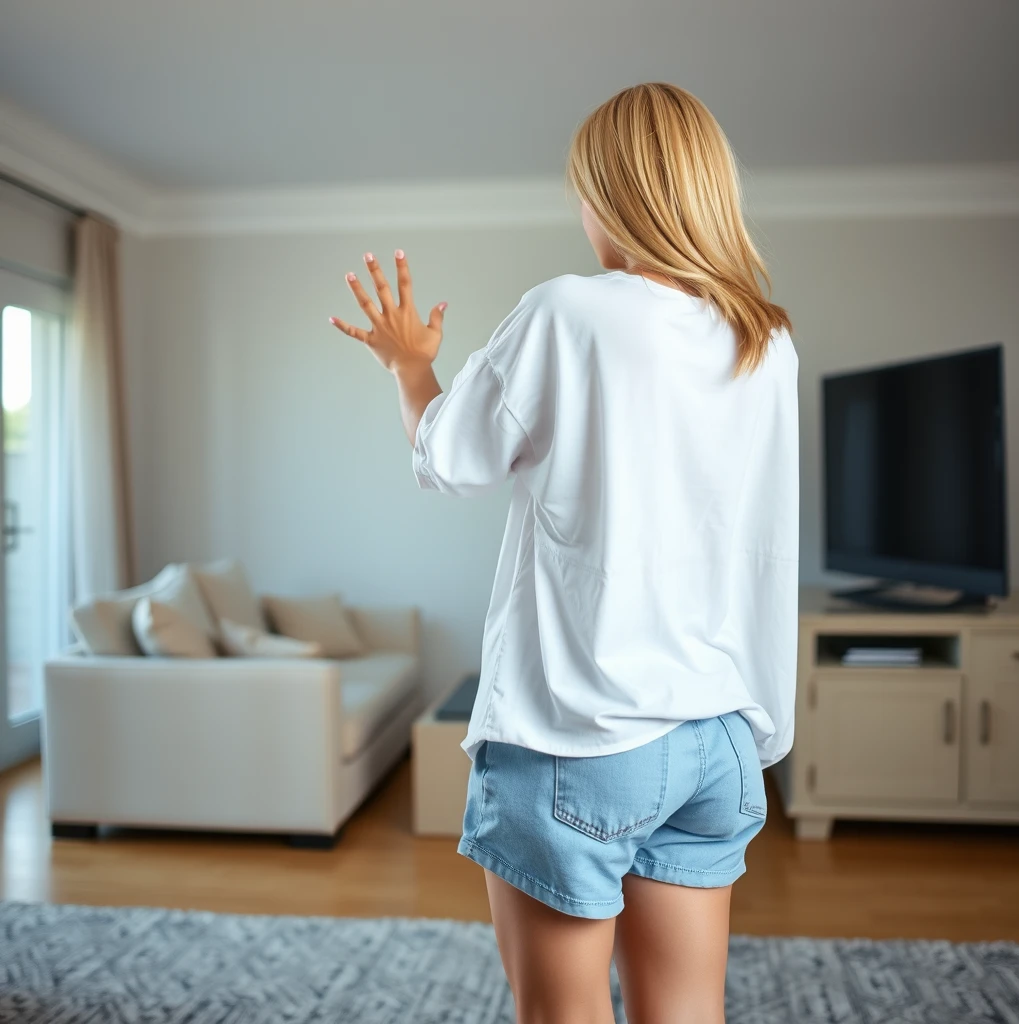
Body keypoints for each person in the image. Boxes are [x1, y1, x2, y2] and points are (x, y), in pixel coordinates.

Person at [330, 82, 798, 1024]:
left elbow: (451, 460)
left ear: (612, 197)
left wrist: (409, 367)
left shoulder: (568, 312)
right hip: (716, 740)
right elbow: (764, 544)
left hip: (578, 741)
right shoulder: (763, 338)